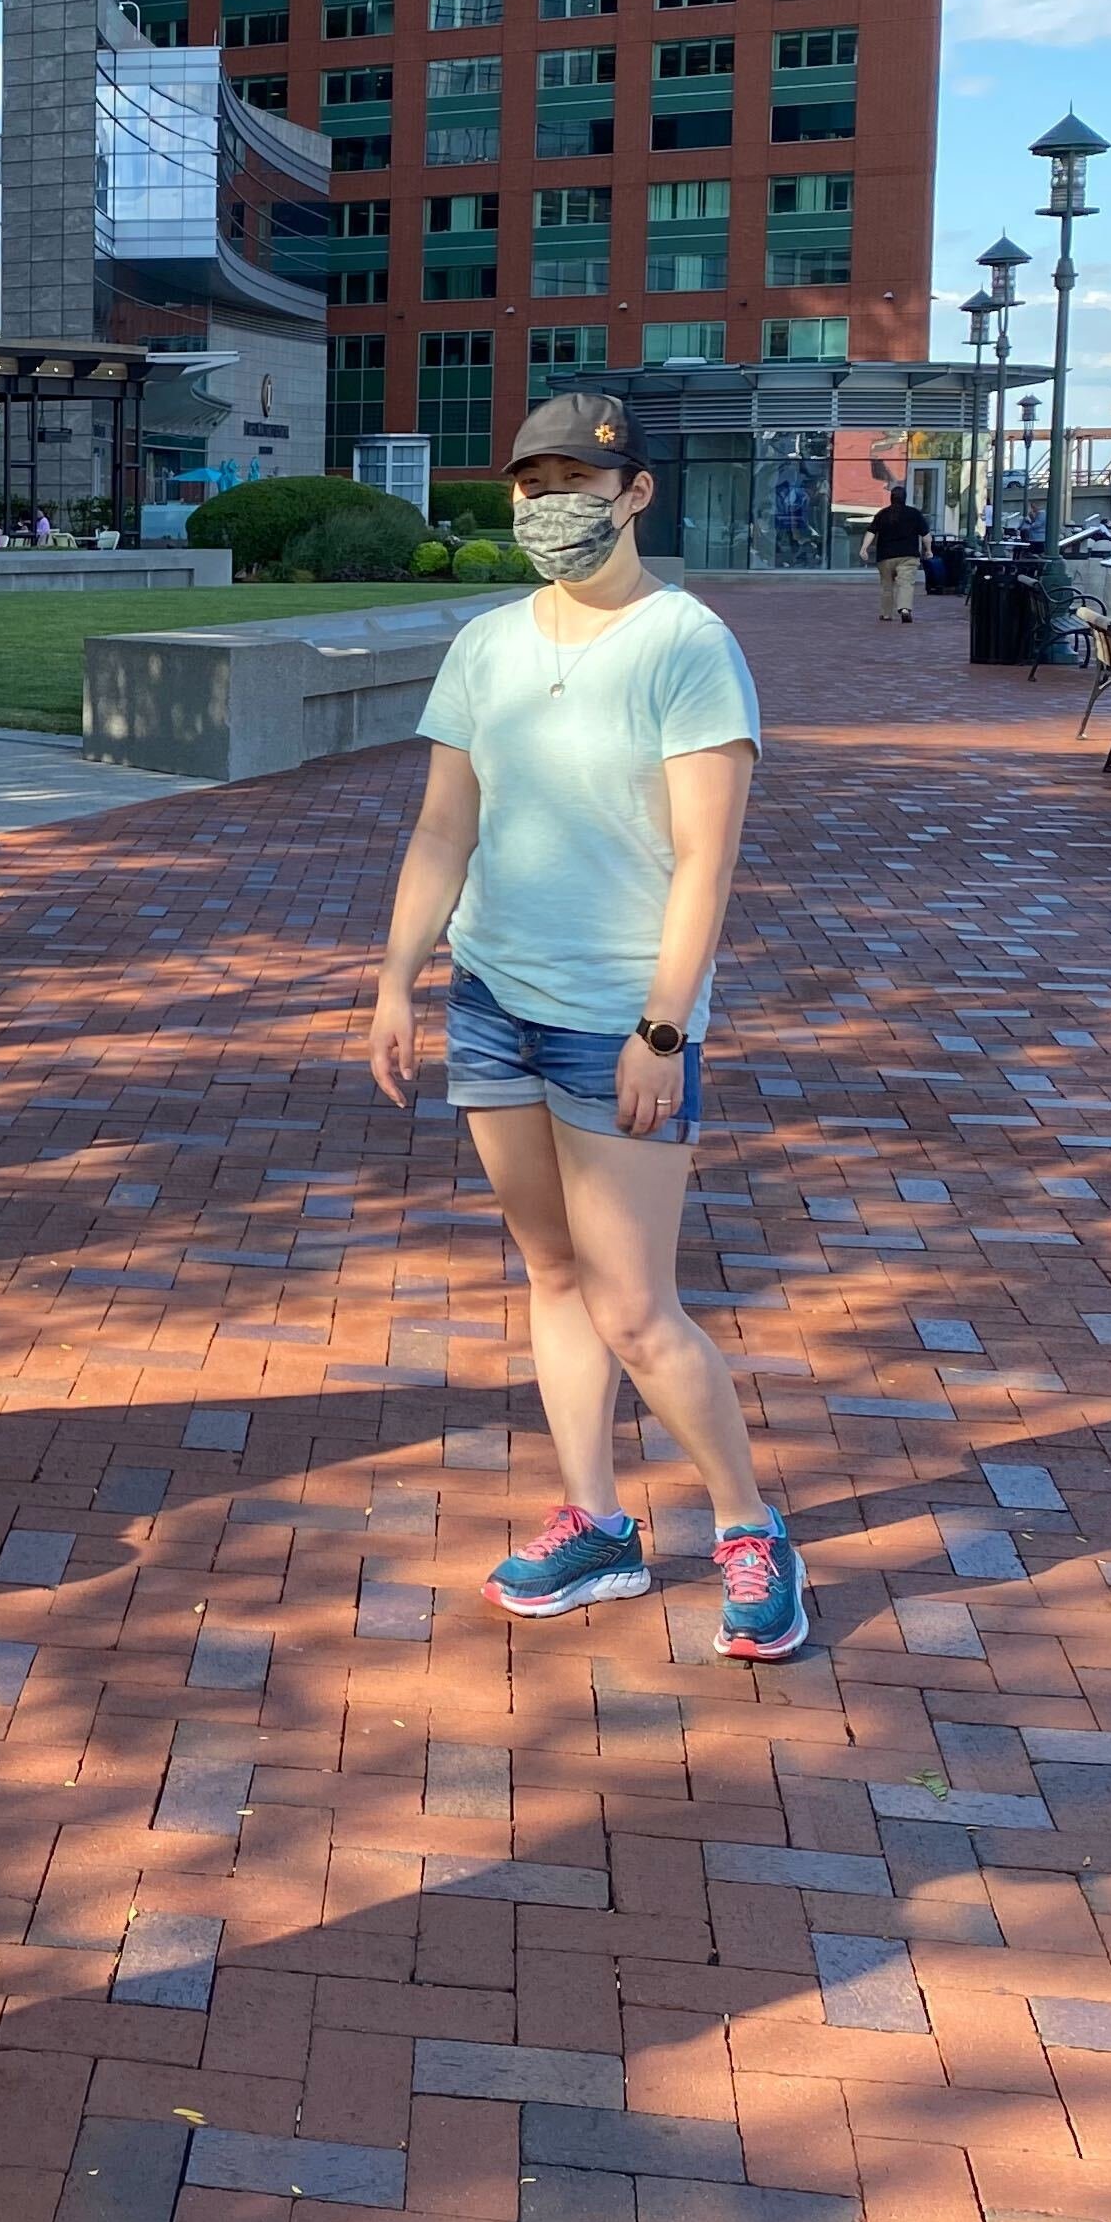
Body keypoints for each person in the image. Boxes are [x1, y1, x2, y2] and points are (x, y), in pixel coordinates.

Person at [365, 392, 809, 1661]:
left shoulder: (687, 644)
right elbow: (445, 827)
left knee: (634, 1305)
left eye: (576, 479)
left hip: (619, 1020)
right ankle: (600, 1524)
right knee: (551, 1277)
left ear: (634, 494)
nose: (550, 502)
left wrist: (664, 1029)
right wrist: (400, 979)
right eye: (530, 480)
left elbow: (704, 864)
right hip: (494, 1004)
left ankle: (748, 1524)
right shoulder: (488, 645)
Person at [864, 489, 931, 623]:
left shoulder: (883, 514)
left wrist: (864, 548)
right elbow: (926, 535)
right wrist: (928, 550)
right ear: (905, 498)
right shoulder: (914, 514)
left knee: (887, 586)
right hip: (908, 555)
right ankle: (905, 608)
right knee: (906, 583)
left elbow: (871, 531)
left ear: (891, 498)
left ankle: (886, 613)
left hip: (885, 556)